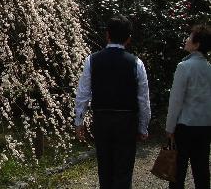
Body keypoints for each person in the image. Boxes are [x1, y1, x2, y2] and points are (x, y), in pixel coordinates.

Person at [74, 15, 151, 189]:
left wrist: (79, 121)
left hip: (102, 119)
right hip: (127, 121)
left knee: (105, 167)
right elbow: (143, 99)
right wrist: (143, 127)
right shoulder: (136, 63)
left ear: (107, 34)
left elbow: (83, 93)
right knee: (123, 169)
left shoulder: (92, 60)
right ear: (128, 39)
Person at [166, 24, 211, 189]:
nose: (186, 39)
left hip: (185, 126)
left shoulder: (184, 67)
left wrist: (169, 127)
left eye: (190, 37)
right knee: (202, 170)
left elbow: (176, 100)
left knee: (178, 172)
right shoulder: (208, 68)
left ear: (197, 44)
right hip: (205, 125)